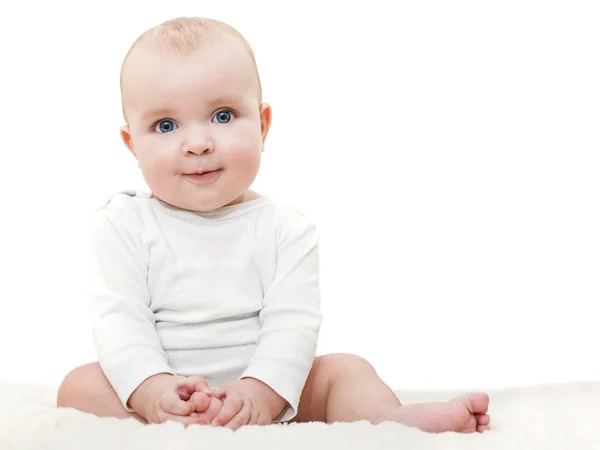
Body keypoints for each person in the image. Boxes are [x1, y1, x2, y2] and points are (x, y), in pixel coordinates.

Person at [57, 16, 491, 433]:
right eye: (165, 125)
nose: (198, 144)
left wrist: (260, 393)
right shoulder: (122, 225)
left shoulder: (286, 228)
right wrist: (154, 393)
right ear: (133, 144)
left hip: (272, 389)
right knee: (80, 386)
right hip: (167, 388)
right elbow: (120, 323)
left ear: (263, 126)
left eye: (223, 115)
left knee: (346, 370)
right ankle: (167, 425)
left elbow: (293, 325)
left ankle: (387, 422)